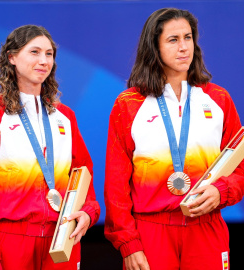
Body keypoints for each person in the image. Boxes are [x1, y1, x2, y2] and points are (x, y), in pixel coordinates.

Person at [104, 8, 244, 270]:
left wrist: (221, 191)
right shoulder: (129, 105)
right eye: (173, 40)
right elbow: (116, 186)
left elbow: (240, 168)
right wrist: (128, 244)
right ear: (154, 46)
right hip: (151, 232)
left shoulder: (219, 100)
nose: (183, 47)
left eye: (188, 38)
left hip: (206, 229)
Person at [0, 25, 100, 270]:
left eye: (49, 54)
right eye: (34, 52)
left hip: (62, 239)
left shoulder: (65, 116)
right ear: (12, 57)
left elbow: (83, 173)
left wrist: (88, 211)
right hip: (11, 241)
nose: (44, 61)